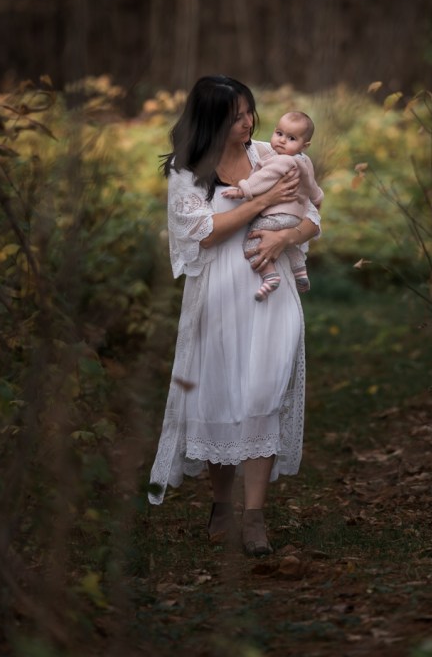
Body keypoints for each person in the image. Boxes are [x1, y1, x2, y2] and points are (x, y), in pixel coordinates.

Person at [147, 76, 321, 557]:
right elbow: (204, 232)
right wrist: (262, 202)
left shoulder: (269, 154)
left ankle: (254, 517)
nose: (249, 123)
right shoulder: (188, 171)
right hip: (219, 293)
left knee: (264, 392)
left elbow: (312, 213)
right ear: (211, 121)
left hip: (272, 289)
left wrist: (285, 237)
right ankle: (222, 504)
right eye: (237, 116)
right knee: (221, 396)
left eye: (249, 112)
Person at [222, 111, 324, 301]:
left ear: (305, 145)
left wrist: (243, 190)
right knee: (286, 244)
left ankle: (270, 276)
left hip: (276, 215)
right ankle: (300, 270)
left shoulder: (282, 160)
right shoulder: (305, 161)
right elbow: (312, 187)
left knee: (253, 242)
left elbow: (264, 178)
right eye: (279, 133)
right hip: (294, 218)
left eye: (291, 138)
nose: (282, 141)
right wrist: (318, 198)